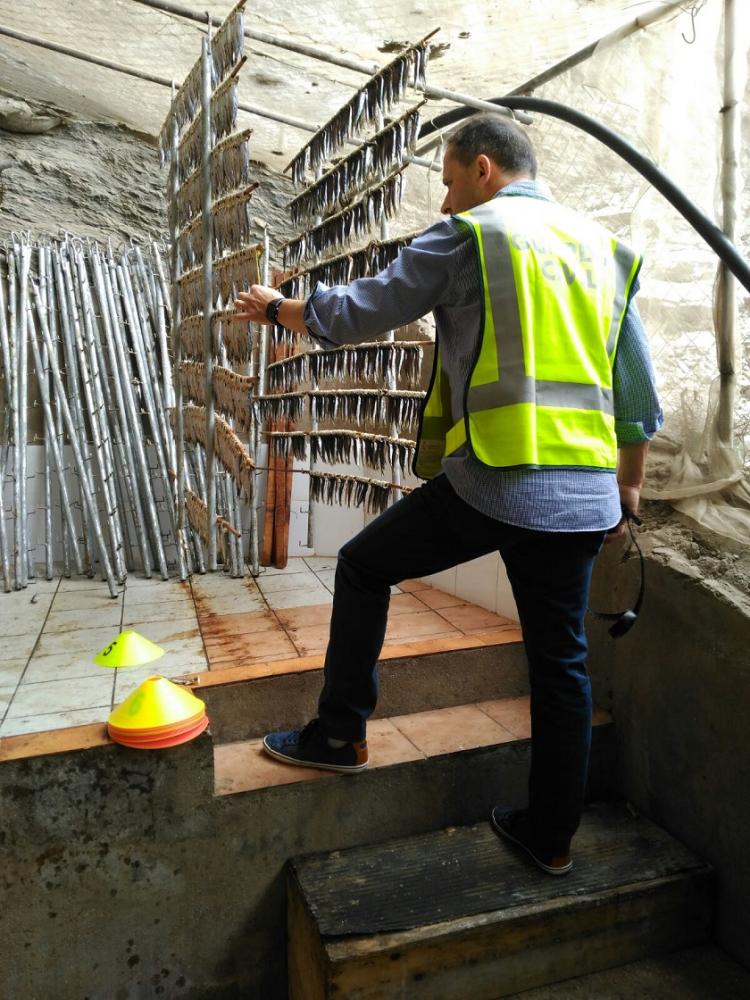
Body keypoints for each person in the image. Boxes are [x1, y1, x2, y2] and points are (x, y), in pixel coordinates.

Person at [233, 114, 662, 876]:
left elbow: (368, 307)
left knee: (364, 566)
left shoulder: (476, 235)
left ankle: (339, 736)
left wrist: (278, 309)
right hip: (587, 494)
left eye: (449, 180)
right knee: (561, 662)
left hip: (497, 478)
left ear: (485, 169)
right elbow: (635, 391)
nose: (443, 201)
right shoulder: (603, 248)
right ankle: (552, 839)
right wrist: (627, 487)